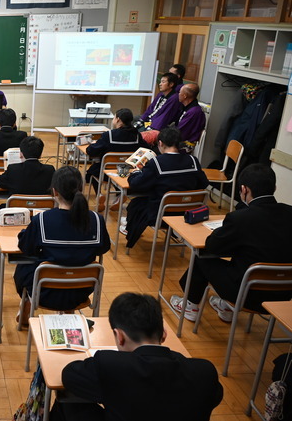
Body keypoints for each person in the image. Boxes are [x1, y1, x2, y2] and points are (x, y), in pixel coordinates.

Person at [52, 292, 223, 421]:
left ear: (119, 336)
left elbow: (69, 376)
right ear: (164, 334)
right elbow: (214, 397)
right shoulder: (205, 371)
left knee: (67, 403)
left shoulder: (110, 365)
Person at [171, 164, 292, 322]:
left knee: (201, 257)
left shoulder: (241, 218)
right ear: (274, 188)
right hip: (283, 296)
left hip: (245, 294)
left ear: (244, 190)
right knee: (245, 259)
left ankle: (190, 306)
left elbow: (212, 246)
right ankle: (225, 307)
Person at [15, 167, 110, 327]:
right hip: (81, 291)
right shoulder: (96, 219)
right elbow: (103, 248)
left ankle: (27, 304)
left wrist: (25, 233)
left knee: (24, 264)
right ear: (81, 189)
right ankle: (68, 312)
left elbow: (26, 248)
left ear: (55, 191)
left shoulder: (42, 219)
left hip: (44, 292)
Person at [124, 127, 208, 248]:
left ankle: (128, 230)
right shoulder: (193, 161)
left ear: (160, 143)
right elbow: (203, 183)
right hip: (189, 213)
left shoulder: (157, 163)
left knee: (136, 204)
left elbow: (136, 184)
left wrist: (136, 172)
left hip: (161, 214)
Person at [0, 136, 55, 253]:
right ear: (40, 154)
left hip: (16, 214)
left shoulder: (14, 169)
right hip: (42, 214)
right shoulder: (50, 170)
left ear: (21, 154)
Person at [84, 108, 148, 210]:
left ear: (118, 119)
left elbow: (91, 151)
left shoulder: (109, 135)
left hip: (106, 172)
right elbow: (146, 149)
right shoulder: (136, 135)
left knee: (91, 171)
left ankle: (99, 194)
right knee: (116, 170)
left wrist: (93, 145)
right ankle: (119, 195)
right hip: (127, 172)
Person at [137, 72, 181, 139]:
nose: (160, 84)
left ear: (171, 84)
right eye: (160, 82)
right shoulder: (160, 94)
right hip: (150, 121)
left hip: (159, 127)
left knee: (139, 136)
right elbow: (151, 108)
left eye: (163, 82)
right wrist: (142, 120)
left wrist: (151, 128)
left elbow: (165, 116)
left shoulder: (174, 98)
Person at [175, 83, 206, 154]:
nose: (178, 94)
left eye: (180, 92)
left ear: (185, 96)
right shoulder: (186, 107)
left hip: (184, 145)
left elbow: (180, 133)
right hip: (179, 139)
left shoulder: (194, 112)